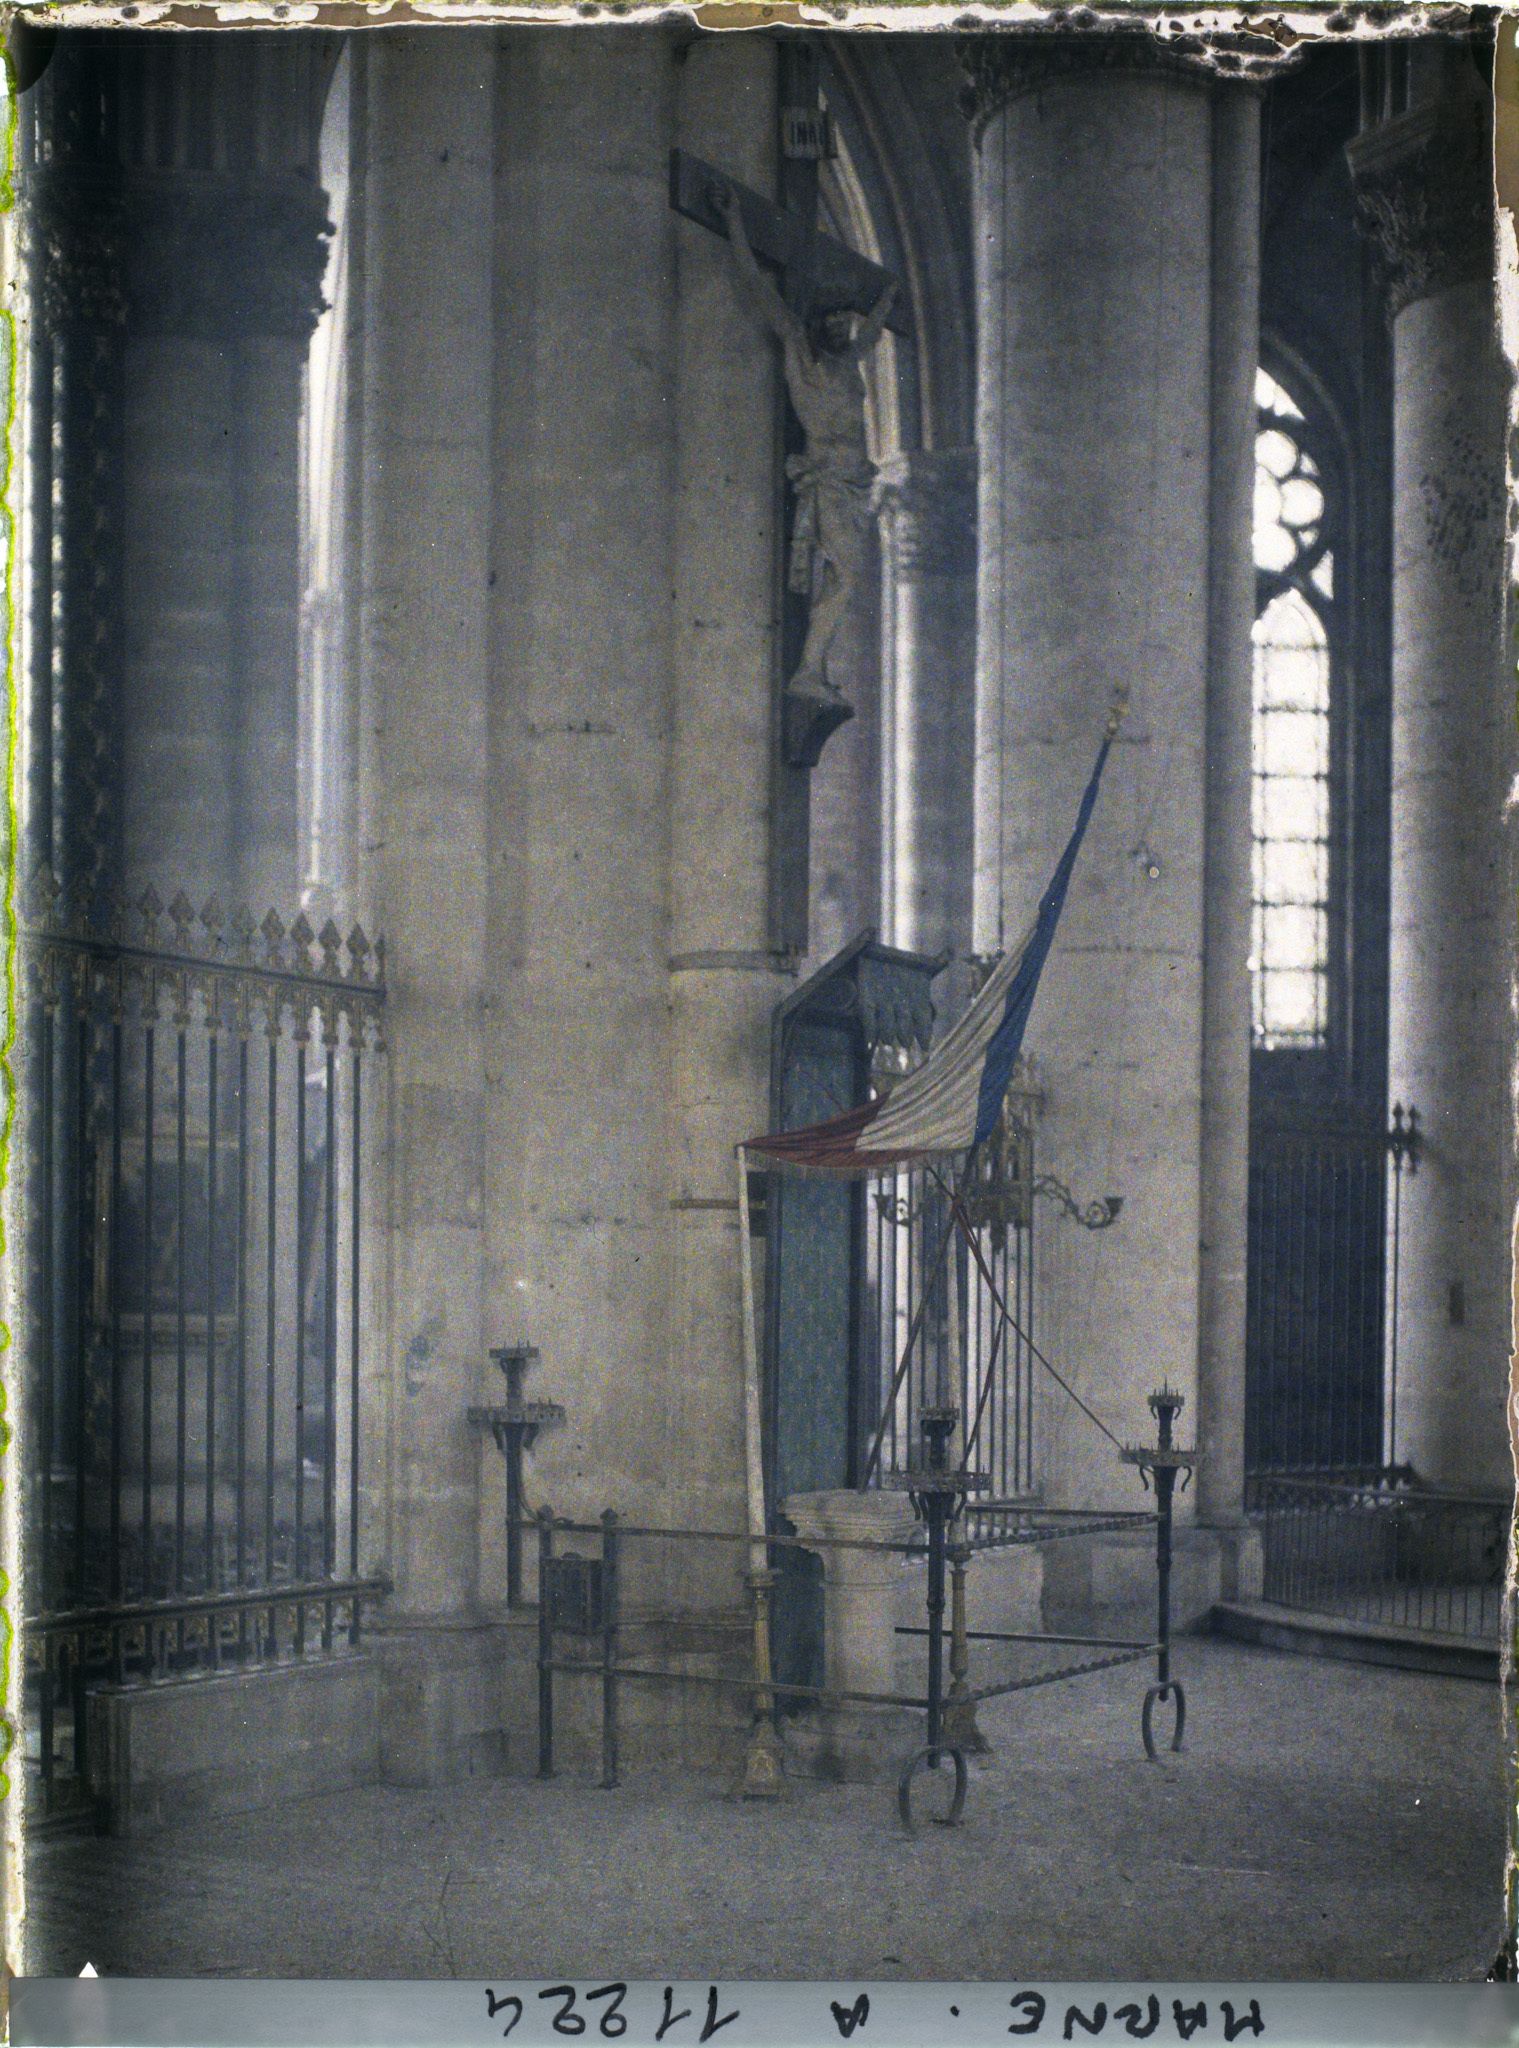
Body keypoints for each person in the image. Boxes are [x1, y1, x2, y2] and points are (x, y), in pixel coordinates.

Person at [718, 183, 897, 712]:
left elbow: (874, 332)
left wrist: (886, 299)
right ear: (820, 325)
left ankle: (812, 668)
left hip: (851, 485)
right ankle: (807, 670)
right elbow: (760, 292)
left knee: (844, 579)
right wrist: (735, 228)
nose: (845, 330)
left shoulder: (847, 364)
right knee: (844, 578)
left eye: (849, 323)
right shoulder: (803, 355)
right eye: (836, 323)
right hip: (827, 483)